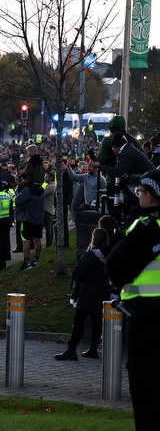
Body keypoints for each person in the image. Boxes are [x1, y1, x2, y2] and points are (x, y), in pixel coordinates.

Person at [105, 169, 160, 429]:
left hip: (145, 316)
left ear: (150, 196)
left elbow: (116, 264)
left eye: (139, 192)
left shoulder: (146, 225)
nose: (138, 196)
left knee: (145, 386)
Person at [56, 228, 111, 361]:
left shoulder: (90, 255)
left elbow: (77, 273)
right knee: (96, 322)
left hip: (88, 293)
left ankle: (72, 349)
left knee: (79, 322)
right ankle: (93, 349)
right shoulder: (109, 254)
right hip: (103, 292)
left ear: (93, 238)